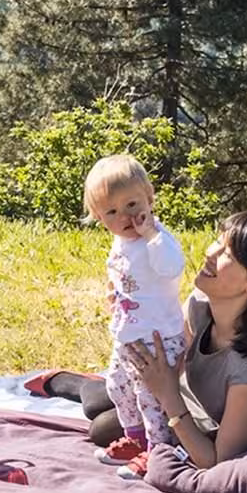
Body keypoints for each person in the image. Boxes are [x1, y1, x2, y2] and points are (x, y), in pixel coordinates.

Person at [38, 211, 247, 470]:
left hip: (219, 429)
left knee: (102, 428)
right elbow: (166, 354)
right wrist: (128, 307)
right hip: (196, 404)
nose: (210, 252)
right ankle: (84, 384)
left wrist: (168, 396)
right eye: (218, 240)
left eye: (228, 253)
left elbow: (217, 461)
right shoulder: (201, 304)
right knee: (108, 404)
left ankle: (88, 386)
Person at [83, 154, 187, 468]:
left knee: (150, 398)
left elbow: (171, 267)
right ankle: (135, 438)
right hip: (128, 334)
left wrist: (152, 235)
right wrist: (113, 292)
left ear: (149, 198)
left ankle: (158, 451)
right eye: (112, 212)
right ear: (99, 218)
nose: (126, 217)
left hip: (158, 339)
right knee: (117, 386)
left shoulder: (158, 239)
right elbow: (123, 272)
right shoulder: (121, 241)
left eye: (132, 204)